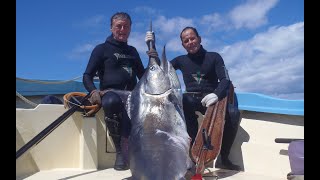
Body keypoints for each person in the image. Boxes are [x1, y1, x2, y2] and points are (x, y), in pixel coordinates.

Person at [145, 27, 241, 171]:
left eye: (192, 38)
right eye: (186, 41)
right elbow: (160, 70)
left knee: (234, 113)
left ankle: (224, 157)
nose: (190, 42)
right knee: (185, 100)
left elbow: (225, 80)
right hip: (192, 99)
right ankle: (193, 154)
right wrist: (151, 48)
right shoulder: (181, 60)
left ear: (199, 39)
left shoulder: (214, 57)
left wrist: (216, 94)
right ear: (183, 45)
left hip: (212, 99)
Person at [83, 12, 145, 170]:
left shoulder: (133, 51)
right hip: (110, 94)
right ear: (111, 28)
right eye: (119, 26)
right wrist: (93, 92)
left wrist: (154, 59)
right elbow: (87, 75)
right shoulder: (101, 49)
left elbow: (143, 77)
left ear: (130, 29)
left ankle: (140, 151)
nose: (122, 29)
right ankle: (120, 151)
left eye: (126, 26)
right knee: (112, 101)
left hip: (132, 95)